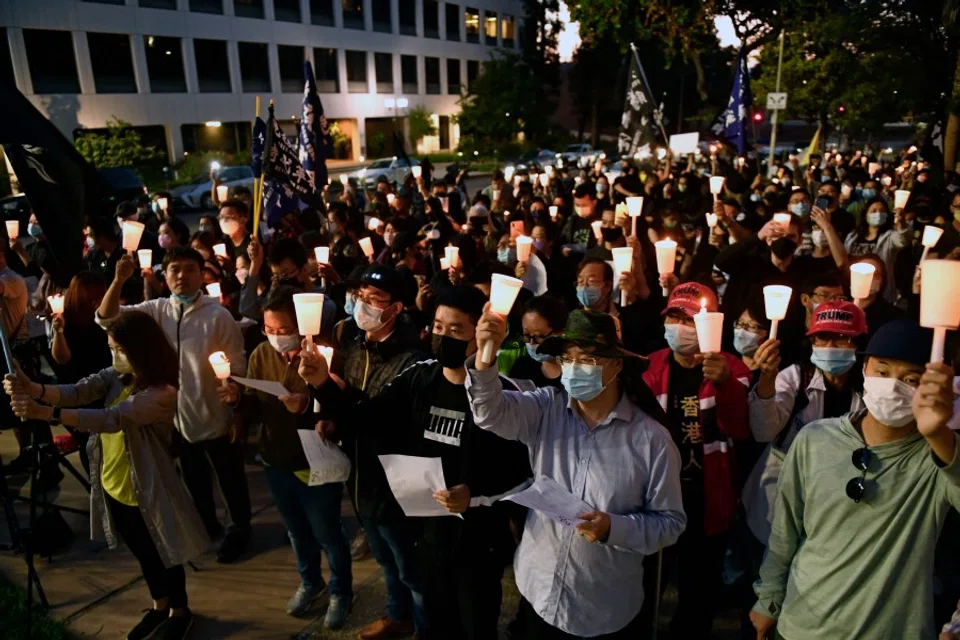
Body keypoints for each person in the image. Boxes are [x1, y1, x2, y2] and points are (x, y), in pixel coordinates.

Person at [301, 285, 531, 640]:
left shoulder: (505, 396)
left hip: (478, 540)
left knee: (475, 623)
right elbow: (369, 418)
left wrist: (475, 494)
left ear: (478, 336)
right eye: (438, 327)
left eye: (455, 330)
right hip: (427, 533)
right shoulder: (419, 377)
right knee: (435, 619)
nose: (442, 337)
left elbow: (519, 470)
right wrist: (323, 385)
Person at [466, 307, 686, 638]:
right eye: (568, 359)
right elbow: (490, 413)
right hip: (538, 588)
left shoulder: (651, 440)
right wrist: (485, 354)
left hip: (603, 605)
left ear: (616, 364)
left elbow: (670, 523)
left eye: (587, 359)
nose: (574, 368)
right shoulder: (545, 408)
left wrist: (615, 527)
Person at [750, 319, 960, 640]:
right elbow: (785, 530)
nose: (892, 385)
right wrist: (769, 599)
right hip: (802, 625)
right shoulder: (814, 438)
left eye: (911, 378)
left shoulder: (939, 457)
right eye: (883, 370)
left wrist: (939, 434)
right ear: (864, 368)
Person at [4, 310, 208, 640]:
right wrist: (34, 388)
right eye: (111, 347)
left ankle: (180, 611)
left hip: (148, 486)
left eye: (119, 349)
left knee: (163, 552)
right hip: (115, 482)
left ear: (142, 349)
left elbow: (113, 418)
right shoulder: (119, 375)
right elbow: (81, 390)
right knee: (143, 552)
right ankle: (159, 605)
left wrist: (47, 413)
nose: (114, 355)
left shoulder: (161, 391)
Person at [97, 247, 251, 563]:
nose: (181, 275)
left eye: (189, 269)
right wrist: (117, 280)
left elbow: (236, 362)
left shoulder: (217, 316)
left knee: (229, 477)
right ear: (164, 275)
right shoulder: (155, 311)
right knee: (194, 480)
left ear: (201, 273)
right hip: (175, 420)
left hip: (214, 413)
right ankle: (208, 526)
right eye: (174, 269)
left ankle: (240, 529)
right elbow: (108, 319)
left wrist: (235, 401)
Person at [218, 286, 353, 628]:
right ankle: (311, 582)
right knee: (295, 531)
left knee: (327, 532)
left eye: (284, 331)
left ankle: (341, 591)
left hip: (316, 459)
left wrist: (306, 405)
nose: (277, 338)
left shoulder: (323, 355)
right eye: (270, 330)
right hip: (275, 457)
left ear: (301, 327)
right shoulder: (262, 353)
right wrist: (237, 400)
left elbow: (340, 407)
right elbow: (255, 403)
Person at [641, 282, 751, 637]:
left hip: (707, 493)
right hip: (656, 491)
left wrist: (726, 387)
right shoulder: (650, 365)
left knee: (698, 584)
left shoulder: (732, 367)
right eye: (673, 316)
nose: (678, 326)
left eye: (688, 318)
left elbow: (740, 429)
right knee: (647, 576)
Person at [326, 264, 430, 639]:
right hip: (362, 472)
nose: (363, 305)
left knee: (410, 564)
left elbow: (386, 419)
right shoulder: (355, 343)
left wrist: (332, 391)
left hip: (397, 478)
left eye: (374, 299)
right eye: (360, 297)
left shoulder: (412, 359)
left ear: (396, 308)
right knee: (384, 556)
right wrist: (332, 421)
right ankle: (396, 615)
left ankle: (424, 626)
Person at [50, 271, 112, 474]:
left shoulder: (104, 317)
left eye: (100, 296)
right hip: (76, 390)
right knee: (89, 446)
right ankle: (97, 487)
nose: (96, 301)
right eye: (91, 297)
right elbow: (62, 359)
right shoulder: (66, 319)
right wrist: (58, 331)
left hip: (105, 388)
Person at [843, 197, 909, 302]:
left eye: (882, 211)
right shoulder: (853, 236)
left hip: (880, 293)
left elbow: (903, 240)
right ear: (866, 215)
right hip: (853, 288)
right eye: (873, 211)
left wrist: (902, 223)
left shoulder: (890, 236)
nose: (878, 214)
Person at [508, 295, 567, 389]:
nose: (531, 343)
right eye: (526, 335)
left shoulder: (574, 374)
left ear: (560, 333)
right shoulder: (522, 368)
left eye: (539, 336)